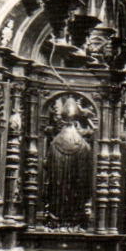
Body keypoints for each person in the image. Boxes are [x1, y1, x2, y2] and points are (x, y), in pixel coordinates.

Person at [46, 97, 94, 226]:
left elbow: (48, 170)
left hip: (56, 203)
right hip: (77, 205)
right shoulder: (84, 145)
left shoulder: (54, 143)